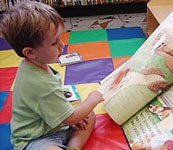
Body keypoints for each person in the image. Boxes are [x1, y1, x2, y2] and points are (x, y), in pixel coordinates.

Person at [0, 1, 104, 150]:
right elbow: (71, 117)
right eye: (54, 43)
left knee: (89, 115)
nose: (62, 45)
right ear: (30, 52)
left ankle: (74, 146)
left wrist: (69, 117)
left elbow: (56, 105)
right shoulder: (38, 82)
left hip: (54, 125)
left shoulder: (36, 64)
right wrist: (93, 98)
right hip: (34, 138)